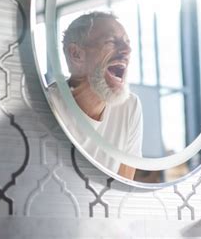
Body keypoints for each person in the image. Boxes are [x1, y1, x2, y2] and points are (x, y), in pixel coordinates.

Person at [49, 11, 143, 180]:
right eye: (112, 41)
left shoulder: (129, 106)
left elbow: (124, 189)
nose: (127, 50)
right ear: (76, 54)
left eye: (127, 43)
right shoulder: (48, 107)